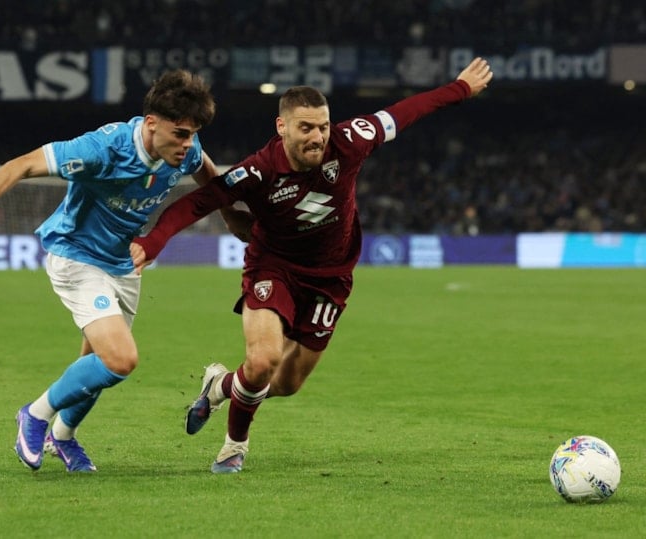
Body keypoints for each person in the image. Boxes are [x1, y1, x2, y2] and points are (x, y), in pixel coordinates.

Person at [130, 58, 493, 474]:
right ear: (282, 127)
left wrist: (459, 89)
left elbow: (404, 112)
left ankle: (220, 385)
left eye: (322, 126)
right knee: (263, 362)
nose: (318, 137)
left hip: (331, 278)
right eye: (306, 128)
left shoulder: (350, 140)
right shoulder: (259, 170)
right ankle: (234, 446)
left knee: (285, 384)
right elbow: (198, 202)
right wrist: (153, 242)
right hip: (274, 267)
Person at [0, 69, 246, 472]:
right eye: (181, 134)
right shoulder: (103, 149)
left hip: (123, 263)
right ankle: (35, 413)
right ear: (151, 123)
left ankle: (64, 436)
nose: (188, 143)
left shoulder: (184, 147)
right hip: (77, 255)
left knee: (97, 366)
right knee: (120, 358)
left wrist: (229, 214)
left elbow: (204, 168)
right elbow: (23, 165)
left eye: (193, 134)